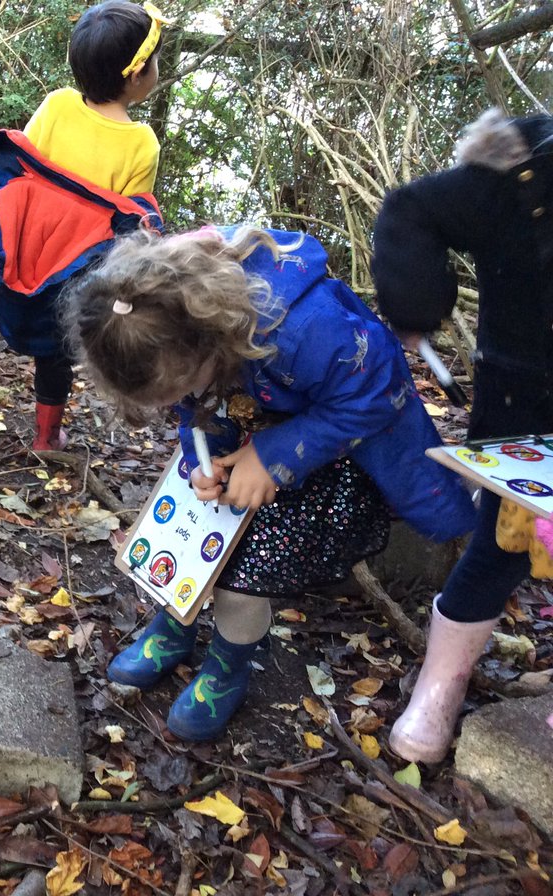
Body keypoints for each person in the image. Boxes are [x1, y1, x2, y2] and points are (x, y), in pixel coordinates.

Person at [65, 226, 476, 741]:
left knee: (242, 576)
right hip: (247, 422)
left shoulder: (309, 327)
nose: (179, 398)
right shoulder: (173, 326)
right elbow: (194, 404)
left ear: (207, 338)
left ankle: (228, 666)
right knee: (189, 538)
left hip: (330, 452)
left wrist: (273, 456)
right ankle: (174, 626)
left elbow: (378, 394)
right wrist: (204, 455)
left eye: (182, 385)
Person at [372, 108, 553, 763]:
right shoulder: (527, 162)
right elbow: (412, 208)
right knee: (504, 541)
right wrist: (416, 304)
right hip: (525, 399)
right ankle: (440, 687)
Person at [0, 0, 169, 451]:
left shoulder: (58, 104)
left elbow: (23, 165)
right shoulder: (142, 143)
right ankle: (47, 437)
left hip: (28, 244)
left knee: (33, 318)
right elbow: (130, 222)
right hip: (72, 266)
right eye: (155, 62)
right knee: (57, 353)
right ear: (135, 76)